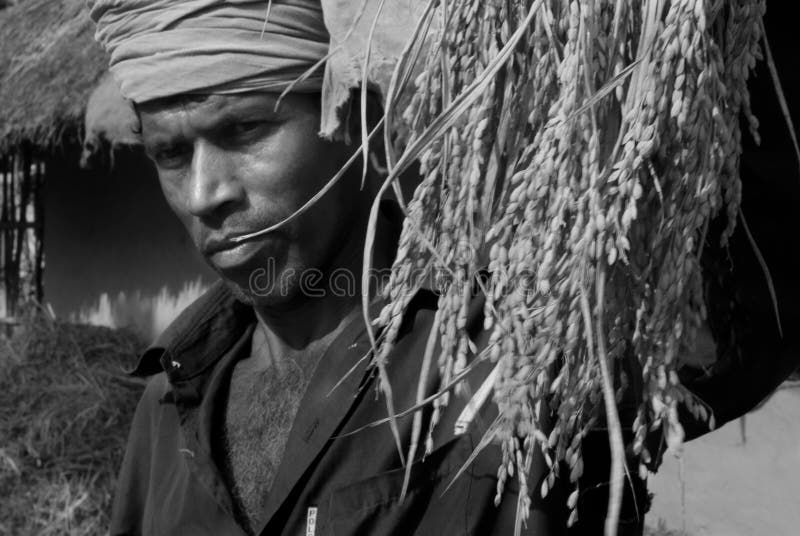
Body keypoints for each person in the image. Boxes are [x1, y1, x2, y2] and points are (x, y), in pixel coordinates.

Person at [87, 1, 799, 535]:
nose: (206, 194)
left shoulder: (525, 354)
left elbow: (748, 286)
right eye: (170, 156)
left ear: (352, 113)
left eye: (244, 130)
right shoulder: (169, 396)